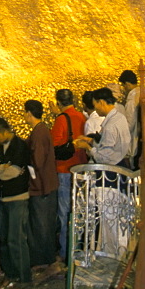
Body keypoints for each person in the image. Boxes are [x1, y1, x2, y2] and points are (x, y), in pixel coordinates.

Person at [74, 89, 132, 257]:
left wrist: (88, 148)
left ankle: (112, 253)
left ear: (101, 102)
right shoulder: (119, 117)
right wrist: (92, 140)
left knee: (110, 217)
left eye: (95, 105)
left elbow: (105, 156)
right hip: (119, 170)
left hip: (110, 175)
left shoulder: (112, 123)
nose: (95, 109)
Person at [0, 116, 31, 286]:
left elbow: (13, 171)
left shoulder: (20, 146)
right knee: (5, 239)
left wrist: (2, 170)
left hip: (18, 198)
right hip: (5, 197)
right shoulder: (1, 148)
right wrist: (2, 169)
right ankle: (10, 273)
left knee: (17, 239)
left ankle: (23, 277)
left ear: (6, 132)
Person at [23, 99, 60, 277]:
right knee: (45, 224)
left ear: (29, 113)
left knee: (40, 225)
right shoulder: (43, 130)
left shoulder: (38, 133)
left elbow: (36, 161)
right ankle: (47, 258)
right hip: (47, 183)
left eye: (25, 113)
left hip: (40, 186)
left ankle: (42, 261)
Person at [51, 89, 87, 261]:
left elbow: (55, 147)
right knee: (79, 212)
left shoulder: (60, 120)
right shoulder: (81, 116)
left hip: (65, 170)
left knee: (65, 214)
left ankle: (66, 253)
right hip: (81, 169)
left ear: (58, 102)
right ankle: (78, 248)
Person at [118, 70, 140, 167]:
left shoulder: (132, 99)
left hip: (134, 137)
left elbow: (129, 124)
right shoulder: (142, 92)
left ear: (127, 84)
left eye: (123, 86)